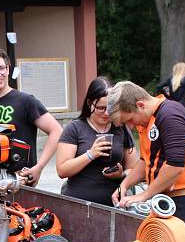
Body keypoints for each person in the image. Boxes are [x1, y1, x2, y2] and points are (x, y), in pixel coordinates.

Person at [107, 81, 185, 230]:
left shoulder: (170, 114)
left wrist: (143, 195)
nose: (131, 126)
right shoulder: (147, 120)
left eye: (129, 120)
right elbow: (145, 161)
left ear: (140, 105)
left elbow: (175, 166)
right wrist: (125, 185)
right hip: (164, 198)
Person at [0, 45, 62, 185]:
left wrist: (39, 167)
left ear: (8, 69)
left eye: (1, 68)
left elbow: (56, 131)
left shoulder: (26, 101)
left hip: (20, 182)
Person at [56, 77, 140, 206]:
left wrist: (121, 174)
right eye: (101, 108)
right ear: (90, 103)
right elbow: (62, 171)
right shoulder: (75, 128)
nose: (106, 113)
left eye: (110, 108)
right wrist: (90, 154)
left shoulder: (120, 127)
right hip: (78, 203)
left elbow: (133, 168)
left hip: (114, 204)